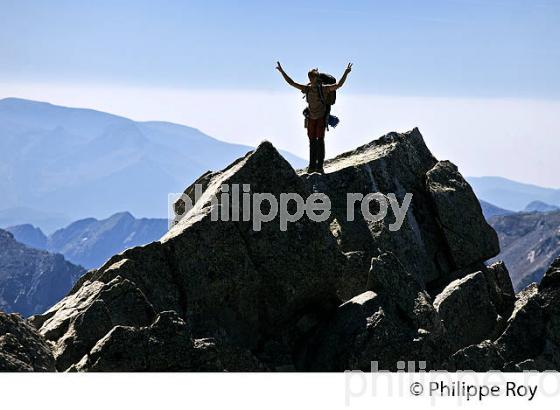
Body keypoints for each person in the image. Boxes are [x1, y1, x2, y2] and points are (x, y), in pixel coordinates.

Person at [276, 61, 353, 173]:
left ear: (316, 78)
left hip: (320, 117)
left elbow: (338, 85)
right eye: (310, 78)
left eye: (312, 78)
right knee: (313, 142)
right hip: (311, 118)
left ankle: (319, 167)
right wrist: (282, 71)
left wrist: (346, 72)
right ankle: (313, 167)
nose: (311, 80)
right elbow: (291, 83)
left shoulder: (323, 88)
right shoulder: (307, 88)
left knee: (319, 141)